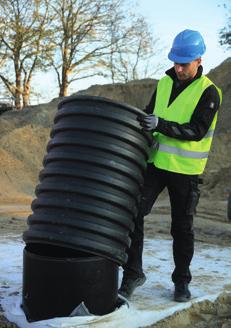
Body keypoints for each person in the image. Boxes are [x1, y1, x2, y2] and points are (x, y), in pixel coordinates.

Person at [118, 29, 222, 302]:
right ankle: (132, 274)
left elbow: (196, 130)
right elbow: (149, 116)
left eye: (184, 63)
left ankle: (181, 282)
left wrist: (160, 125)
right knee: (133, 213)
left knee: (182, 228)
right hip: (156, 164)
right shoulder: (164, 82)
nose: (178, 68)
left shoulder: (209, 92)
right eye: (175, 62)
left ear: (198, 60)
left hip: (185, 172)